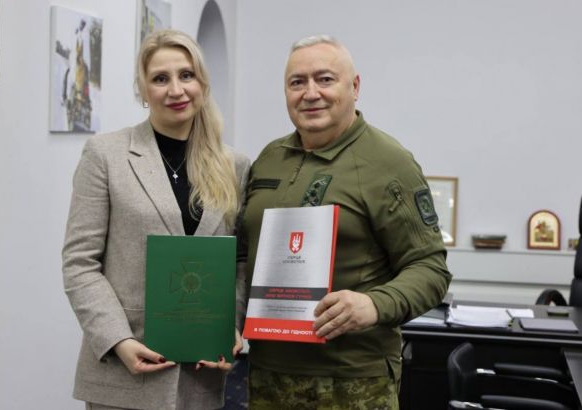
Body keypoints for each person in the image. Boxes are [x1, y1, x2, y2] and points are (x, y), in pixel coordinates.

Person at [240, 35, 452, 409]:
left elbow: (430, 268)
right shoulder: (270, 158)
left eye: (325, 79)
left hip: (352, 380)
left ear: (354, 87)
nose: (310, 94)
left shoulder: (389, 163)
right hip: (266, 372)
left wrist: (374, 304)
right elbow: (243, 253)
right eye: (297, 82)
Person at [62, 29, 250, 410]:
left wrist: (228, 325)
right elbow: (79, 263)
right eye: (160, 79)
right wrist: (118, 340)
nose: (176, 90)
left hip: (201, 377)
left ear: (202, 83)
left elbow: (240, 261)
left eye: (186, 75)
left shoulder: (235, 165)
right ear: (143, 90)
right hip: (125, 372)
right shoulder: (105, 155)